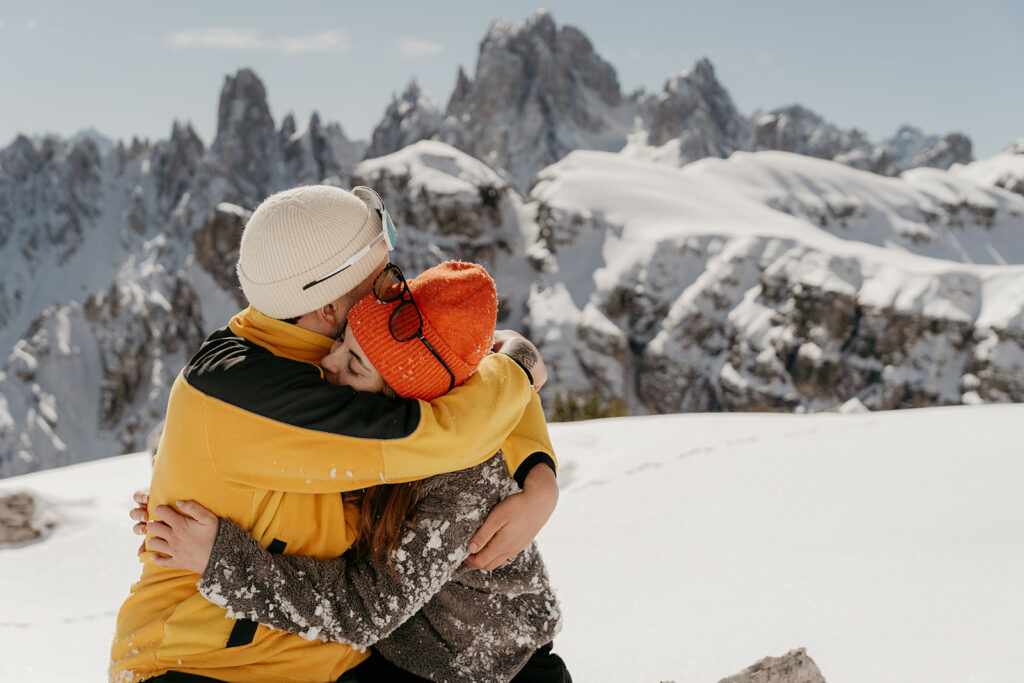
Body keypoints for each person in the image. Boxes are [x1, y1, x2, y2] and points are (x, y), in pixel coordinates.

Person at [111, 185, 559, 683]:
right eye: (385, 278)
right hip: (209, 663)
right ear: (329, 309)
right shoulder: (272, 396)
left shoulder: (334, 349)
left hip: (333, 657)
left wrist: (537, 471)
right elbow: (453, 434)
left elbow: (457, 371)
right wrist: (520, 367)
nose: (398, 290)